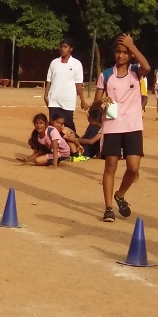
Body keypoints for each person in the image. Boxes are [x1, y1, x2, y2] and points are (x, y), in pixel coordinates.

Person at [93, 34, 148, 222]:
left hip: (133, 125)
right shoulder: (106, 75)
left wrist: (133, 46)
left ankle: (120, 194)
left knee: (133, 168)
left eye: (125, 52)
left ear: (130, 55)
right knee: (111, 166)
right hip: (112, 125)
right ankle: (108, 207)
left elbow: (147, 67)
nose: (121, 55)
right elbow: (95, 102)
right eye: (118, 51)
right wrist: (101, 100)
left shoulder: (136, 71)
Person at [44, 39, 86, 132]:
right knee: (53, 124)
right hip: (54, 98)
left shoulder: (76, 64)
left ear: (71, 49)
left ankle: (75, 143)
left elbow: (78, 83)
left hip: (68, 100)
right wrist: (45, 94)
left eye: (65, 47)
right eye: (62, 47)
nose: (63, 49)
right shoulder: (54, 62)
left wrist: (82, 100)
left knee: (68, 123)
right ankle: (55, 145)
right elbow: (49, 80)